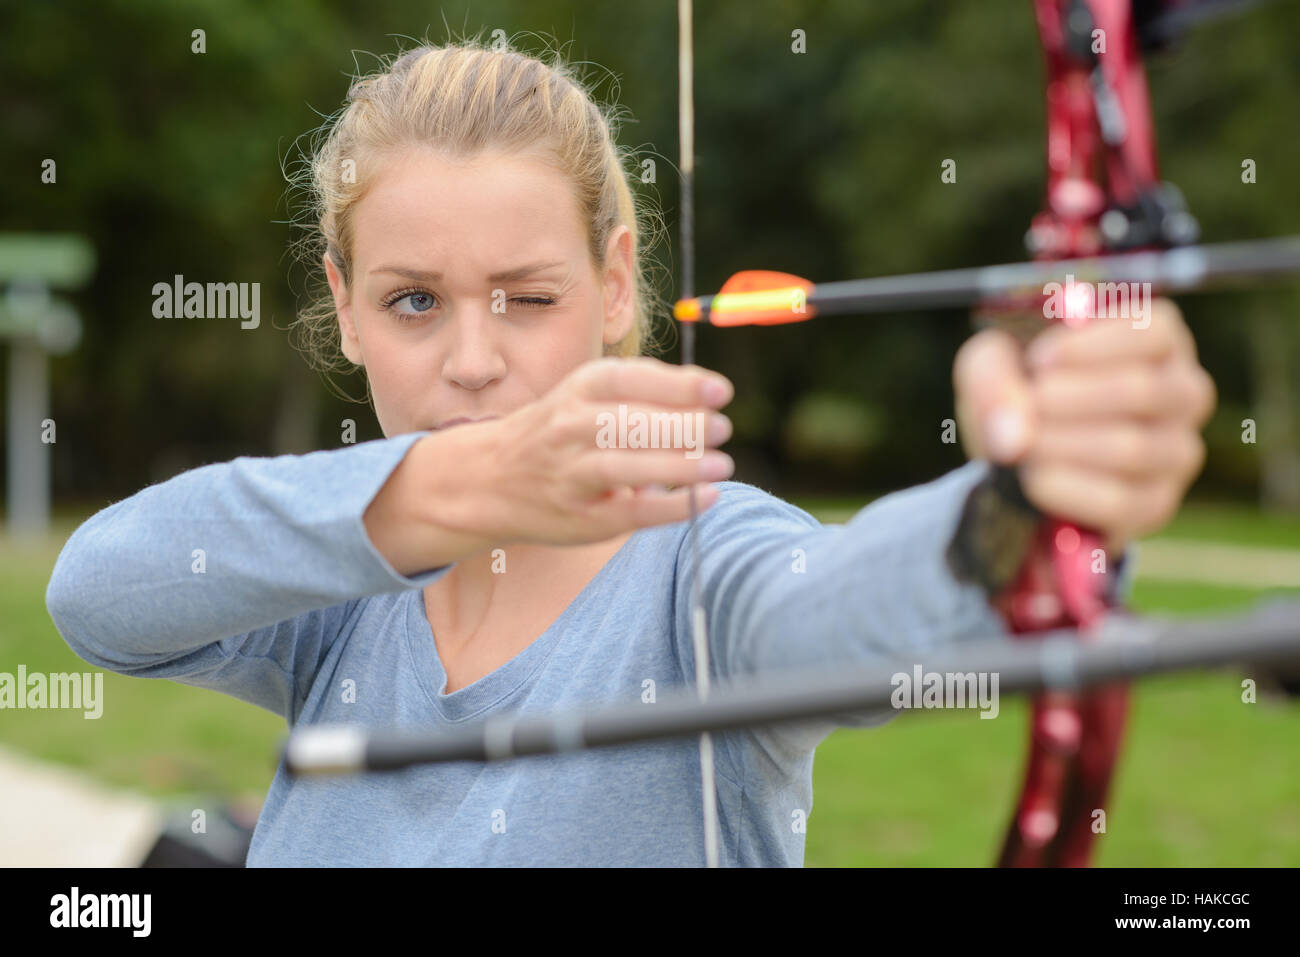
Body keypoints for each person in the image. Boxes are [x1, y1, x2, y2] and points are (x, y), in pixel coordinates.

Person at [45, 40, 1215, 866]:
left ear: (612, 286)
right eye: (412, 302)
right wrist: (459, 490)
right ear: (345, 308)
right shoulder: (339, 592)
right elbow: (99, 593)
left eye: (526, 297)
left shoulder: (704, 570)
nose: (471, 361)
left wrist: (1019, 497)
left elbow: (852, 607)